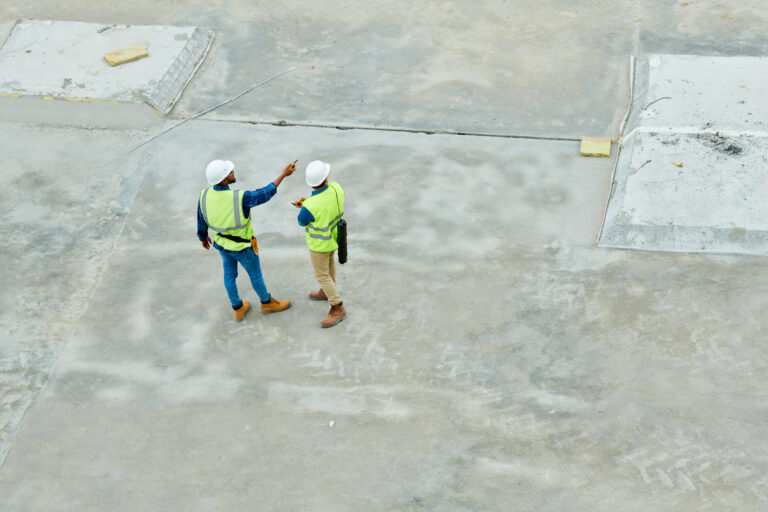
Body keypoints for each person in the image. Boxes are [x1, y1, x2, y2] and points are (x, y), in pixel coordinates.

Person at [198, 159, 294, 321]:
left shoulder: (204, 195)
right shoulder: (239, 197)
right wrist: (283, 175)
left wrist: (203, 237)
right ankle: (267, 303)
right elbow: (265, 193)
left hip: (222, 245)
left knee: (229, 277)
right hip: (243, 247)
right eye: (229, 172)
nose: (233, 172)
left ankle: (238, 307)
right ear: (224, 180)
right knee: (255, 275)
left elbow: (201, 220)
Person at [295, 160, 346, 328]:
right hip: (335, 237)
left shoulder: (309, 205)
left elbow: (302, 221)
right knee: (330, 264)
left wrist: (305, 206)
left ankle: (338, 308)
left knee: (321, 275)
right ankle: (327, 291)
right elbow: (326, 204)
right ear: (326, 178)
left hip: (319, 245)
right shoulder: (336, 188)